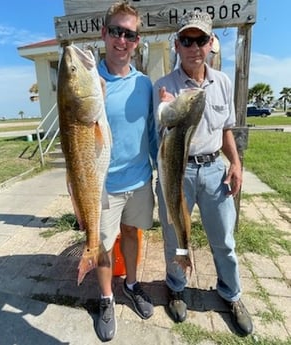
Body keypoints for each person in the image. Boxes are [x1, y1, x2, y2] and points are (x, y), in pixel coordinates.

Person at [153, 11, 253, 336]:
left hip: (213, 170)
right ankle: (177, 285)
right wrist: (164, 110)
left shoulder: (222, 82)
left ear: (211, 44)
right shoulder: (164, 86)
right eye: (186, 40)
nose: (194, 47)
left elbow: (226, 130)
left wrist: (235, 163)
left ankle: (231, 294)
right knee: (175, 235)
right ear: (177, 45)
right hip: (177, 172)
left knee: (223, 239)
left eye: (200, 40)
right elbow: (161, 135)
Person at [95, 1, 157, 342]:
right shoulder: (90, 81)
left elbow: (150, 132)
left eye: (130, 34)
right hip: (103, 184)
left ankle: (131, 285)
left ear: (137, 41)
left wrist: (159, 172)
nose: (122, 40)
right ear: (104, 34)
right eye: (117, 31)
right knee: (102, 244)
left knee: (132, 234)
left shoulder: (144, 84)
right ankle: (106, 299)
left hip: (139, 179)